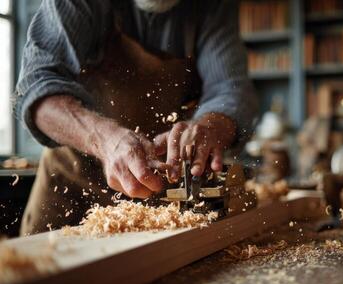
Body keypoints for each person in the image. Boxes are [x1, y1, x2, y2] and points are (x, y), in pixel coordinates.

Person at [14, 0, 258, 235]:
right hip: (74, 178)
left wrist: (210, 125)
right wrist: (107, 141)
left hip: (160, 185)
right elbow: (35, 86)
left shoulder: (212, 5)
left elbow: (231, 89)